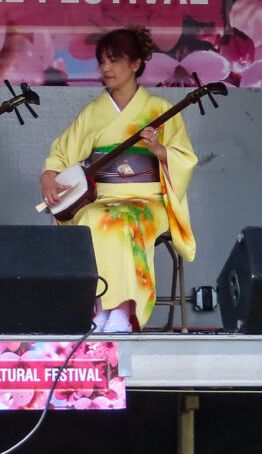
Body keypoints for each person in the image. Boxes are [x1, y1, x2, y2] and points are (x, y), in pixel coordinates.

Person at [39, 25, 197, 333]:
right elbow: (61, 155)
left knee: (125, 219)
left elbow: (185, 159)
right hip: (104, 197)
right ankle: (100, 308)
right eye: (102, 61)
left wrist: (160, 150)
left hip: (148, 199)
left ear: (136, 64)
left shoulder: (160, 110)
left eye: (114, 60)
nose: (106, 68)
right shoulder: (94, 113)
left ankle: (126, 309)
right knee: (94, 219)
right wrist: (48, 177)